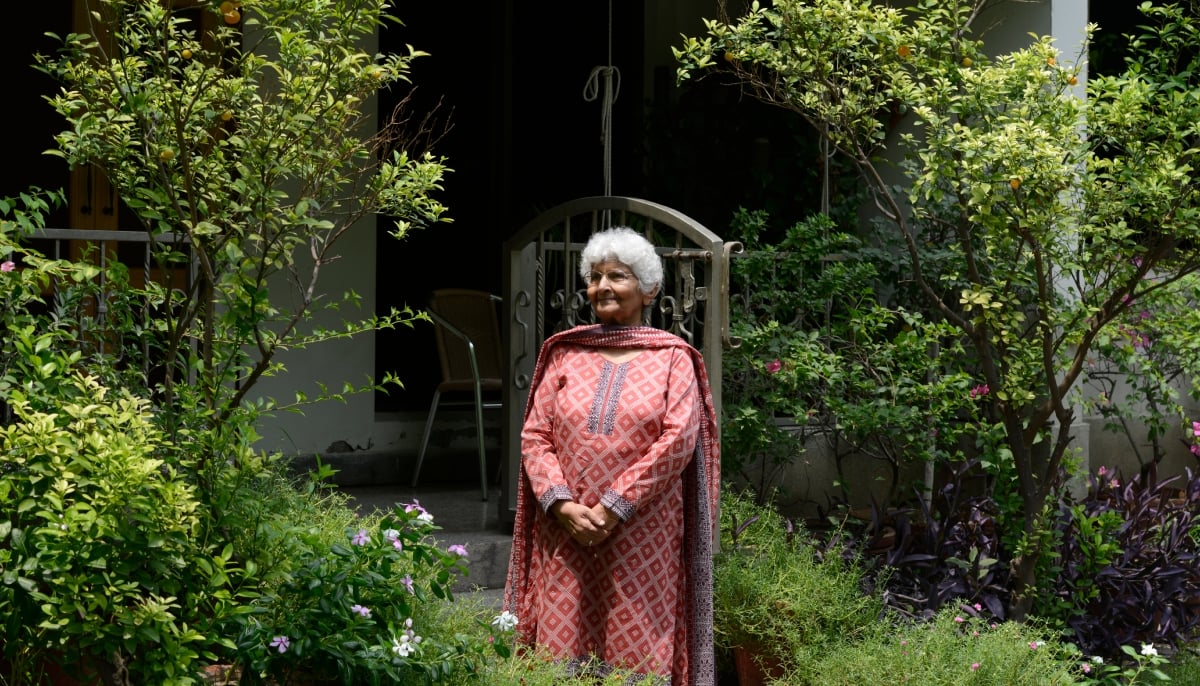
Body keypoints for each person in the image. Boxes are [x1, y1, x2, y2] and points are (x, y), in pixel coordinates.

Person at [504, 226, 720, 685]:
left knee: (636, 643)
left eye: (617, 276)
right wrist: (560, 502)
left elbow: (679, 438)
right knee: (562, 643)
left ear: (649, 290)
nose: (602, 287)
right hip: (567, 529)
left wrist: (614, 506)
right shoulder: (564, 354)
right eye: (596, 276)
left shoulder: (673, 358)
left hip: (643, 530)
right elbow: (535, 434)